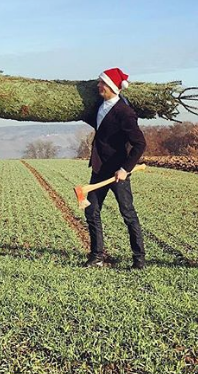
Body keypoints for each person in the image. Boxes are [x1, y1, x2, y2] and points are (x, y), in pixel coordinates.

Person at [83, 67, 147, 269]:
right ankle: (96, 256)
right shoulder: (99, 106)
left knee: (128, 213)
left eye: (102, 83)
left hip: (117, 172)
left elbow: (140, 144)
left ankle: (139, 259)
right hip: (99, 169)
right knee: (91, 211)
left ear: (111, 86)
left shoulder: (124, 112)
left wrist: (125, 169)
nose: (98, 85)